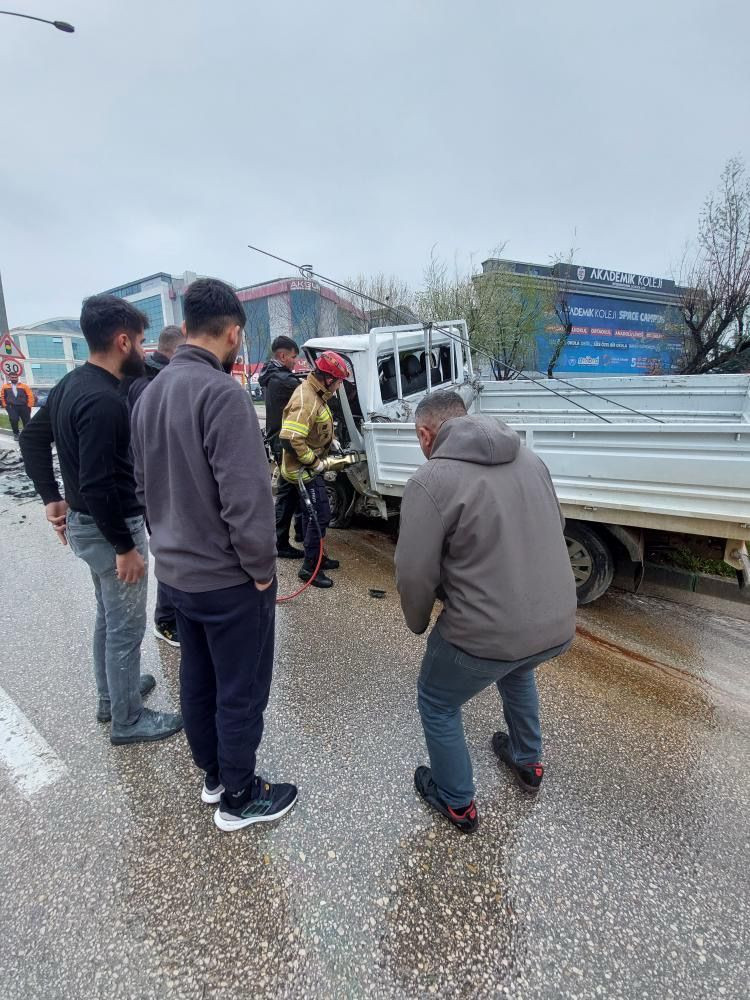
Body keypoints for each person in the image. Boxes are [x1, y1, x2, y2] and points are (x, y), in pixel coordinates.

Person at [131, 278, 297, 831]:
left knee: (198, 679)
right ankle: (240, 796)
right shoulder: (222, 394)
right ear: (232, 333)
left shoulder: (149, 394)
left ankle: (214, 776)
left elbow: (142, 487)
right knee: (241, 688)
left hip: (176, 576)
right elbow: (246, 500)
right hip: (228, 582)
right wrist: (261, 573)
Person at [395, 391, 577, 833]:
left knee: (437, 700)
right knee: (517, 669)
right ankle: (527, 760)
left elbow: (414, 571)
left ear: (425, 434)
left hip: (485, 633)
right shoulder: (532, 461)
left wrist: (419, 623)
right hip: (554, 624)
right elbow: (558, 527)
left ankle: (457, 800)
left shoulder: (430, 480)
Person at [19, 295, 184, 745]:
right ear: (123, 340)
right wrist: (125, 548)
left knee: (107, 616)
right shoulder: (105, 400)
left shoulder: (72, 383)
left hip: (85, 524)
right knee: (126, 628)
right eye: (142, 343)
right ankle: (128, 720)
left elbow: (32, 438)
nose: (145, 353)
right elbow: (98, 484)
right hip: (111, 529)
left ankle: (112, 696)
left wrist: (52, 498)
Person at [124, 324, 186, 648]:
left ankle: (173, 615)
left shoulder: (149, 380)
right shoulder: (149, 386)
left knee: (172, 550)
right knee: (168, 552)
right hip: (157, 487)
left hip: (158, 485)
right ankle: (166, 621)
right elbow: (146, 444)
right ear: (175, 351)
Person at [279, 350, 351, 589]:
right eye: (339, 381)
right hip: (303, 471)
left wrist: (332, 442)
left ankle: (320, 556)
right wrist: (314, 462)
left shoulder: (317, 393)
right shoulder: (306, 398)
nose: (340, 386)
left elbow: (312, 428)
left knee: (316, 515)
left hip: (307, 469)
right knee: (319, 516)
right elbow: (290, 439)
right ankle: (310, 568)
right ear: (328, 378)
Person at [257, 335, 305, 559]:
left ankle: (298, 533)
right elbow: (308, 393)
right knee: (287, 493)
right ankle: (281, 542)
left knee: (294, 489)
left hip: (279, 439)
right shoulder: (283, 380)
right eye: (294, 357)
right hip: (284, 442)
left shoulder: (272, 375)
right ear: (282, 356)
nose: (296, 362)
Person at [1, 374, 34, 440]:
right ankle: (16, 434)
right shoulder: (5, 386)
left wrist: (29, 405)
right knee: (14, 420)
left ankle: (27, 433)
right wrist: (5, 405)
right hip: (12, 407)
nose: (14, 379)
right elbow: (2, 396)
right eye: (12, 377)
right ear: (9, 378)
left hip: (24, 406)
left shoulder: (24, 386)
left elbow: (30, 395)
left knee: (26, 420)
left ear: (18, 378)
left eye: (15, 377)